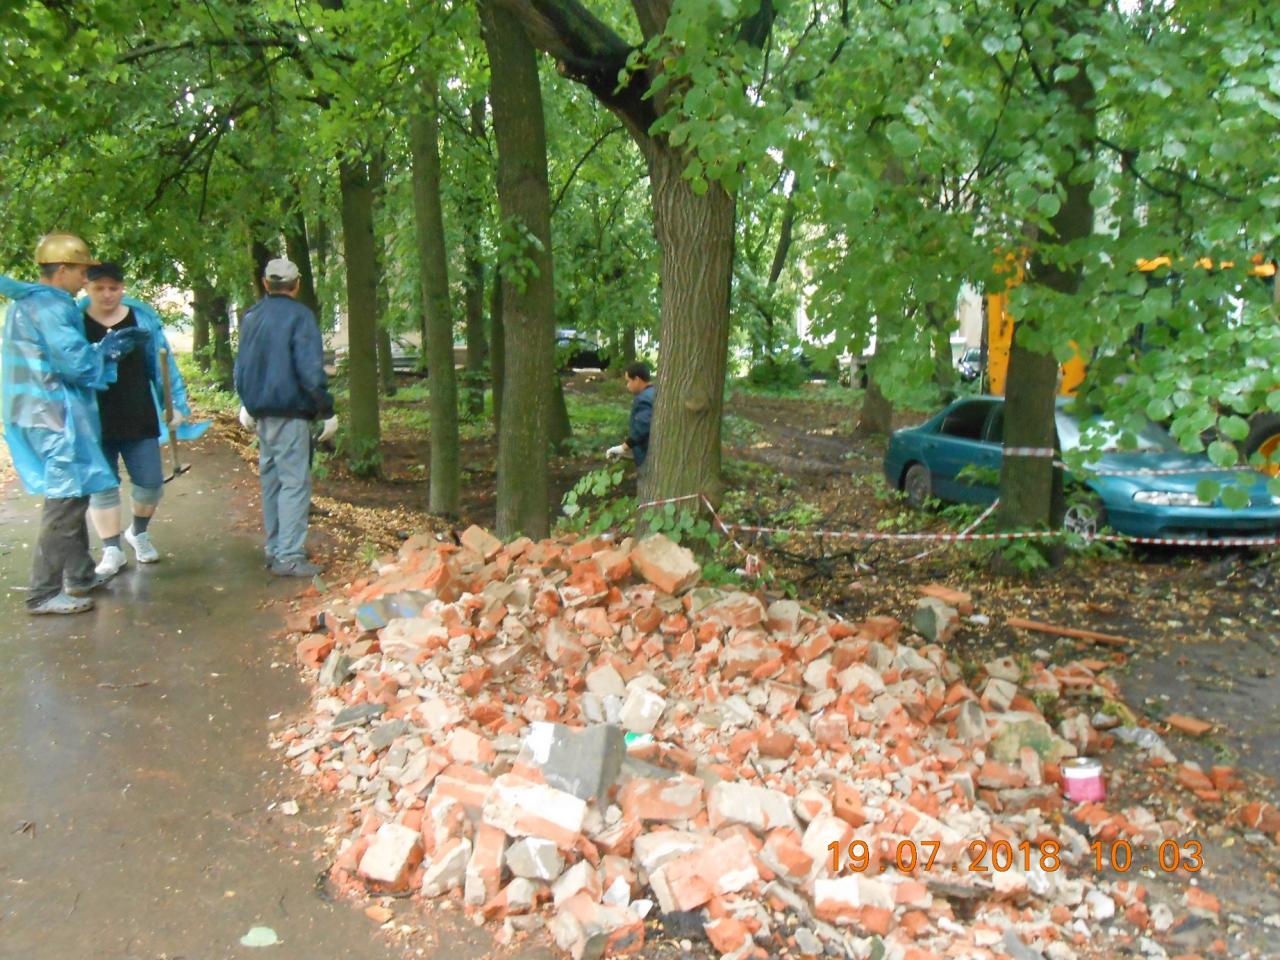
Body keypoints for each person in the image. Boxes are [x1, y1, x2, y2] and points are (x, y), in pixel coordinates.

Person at [0, 233, 150, 615]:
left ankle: (80, 575)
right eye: (82, 271)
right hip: (52, 415)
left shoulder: (33, 302)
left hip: (40, 411)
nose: (86, 279)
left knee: (76, 490)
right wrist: (108, 352)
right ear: (62, 269)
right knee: (65, 499)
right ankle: (43, 593)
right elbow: (77, 364)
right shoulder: (49, 309)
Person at [81, 263, 210, 576]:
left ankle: (137, 532)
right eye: (100, 288)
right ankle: (112, 550)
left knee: (151, 483)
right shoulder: (75, 321)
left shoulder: (142, 320)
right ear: (88, 288)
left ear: (123, 287)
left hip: (138, 414)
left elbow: (162, 365)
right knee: (103, 486)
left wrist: (176, 405)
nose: (107, 294)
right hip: (94, 419)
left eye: (114, 287)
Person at [234, 257, 337, 577]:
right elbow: (310, 372)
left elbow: (242, 367)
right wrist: (327, 410)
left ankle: (275, 546)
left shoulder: (252, 316)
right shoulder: (301, 317)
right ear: (296, 285)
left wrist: (247, 403)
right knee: (294, 483)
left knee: (272, 481)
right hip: (291, 413)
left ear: (266, 284)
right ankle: (290, 556)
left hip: (262, 414)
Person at [606, 362, 656, 469]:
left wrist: (623, 448)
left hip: (647, 457)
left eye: (628, 381)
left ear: (637, 379)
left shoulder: (643, 399)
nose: (627, 385)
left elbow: (642, 428)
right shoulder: (656, 393)